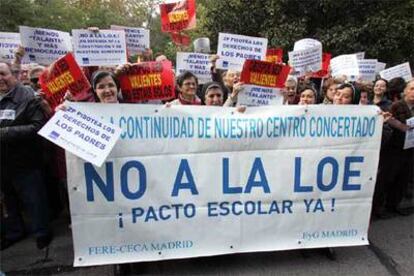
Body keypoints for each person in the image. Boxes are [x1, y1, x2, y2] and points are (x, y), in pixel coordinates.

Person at [0, 62, 52, 250]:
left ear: (13, 74)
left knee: (34, 199)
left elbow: (38, 127)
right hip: (3, 165)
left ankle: (42, 233)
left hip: (26, 161)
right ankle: (14, 232)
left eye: (3, 74)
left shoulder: (27, 96)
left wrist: (5, 133)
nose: (0, 79)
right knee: (9, 202)